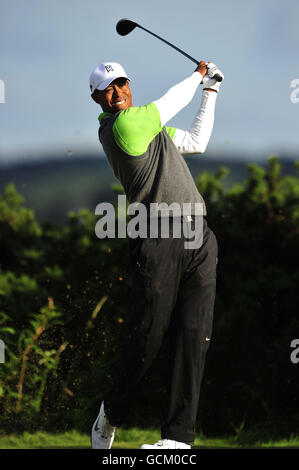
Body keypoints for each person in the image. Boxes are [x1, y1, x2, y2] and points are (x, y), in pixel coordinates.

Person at [89, 59, 223, 449]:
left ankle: (177, 439)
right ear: (96, 97)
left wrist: (211, 93)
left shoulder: (150, 127)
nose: (118, 93)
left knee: (195, 337)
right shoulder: (124, 126)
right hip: (158, 238)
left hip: (200, 237)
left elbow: (196, 142)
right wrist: (200, 76)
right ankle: (109, 415)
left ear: (129, 85)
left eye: (122, 84)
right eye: (109, 89)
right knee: (148, 337)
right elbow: (169, 101)